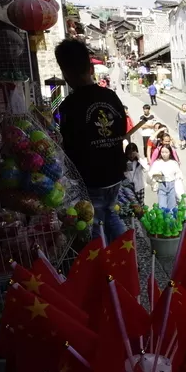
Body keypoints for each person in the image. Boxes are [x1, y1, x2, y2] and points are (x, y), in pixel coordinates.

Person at [55, 39, 127, 243]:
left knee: (94, 223)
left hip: (90, 178)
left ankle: (103, 268)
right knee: (111, 213)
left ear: (65, 72)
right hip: (114, 172)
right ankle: (126, 258)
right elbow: (121, 130)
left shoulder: (69, 105)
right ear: (90, 67)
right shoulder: (111, 96)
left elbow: (68, 145)